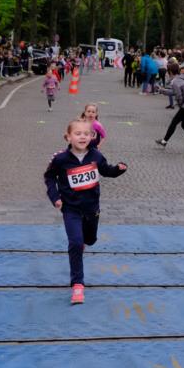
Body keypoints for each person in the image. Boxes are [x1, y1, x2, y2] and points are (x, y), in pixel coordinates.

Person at [44, 119, 127, 304]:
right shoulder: (60, 159)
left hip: (91, 209)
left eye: (86, 134)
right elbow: (49, 178)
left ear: (92, 137)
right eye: (77, 133)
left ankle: (84, 241)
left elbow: (107, 171)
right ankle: (78, 285)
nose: (82, 137)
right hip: (70, 208)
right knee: (75, 243)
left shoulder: (96, 156)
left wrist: (119, 169)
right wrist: (55, 197)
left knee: (89, 240)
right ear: (68, 137)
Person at [155, 61, 184, 150]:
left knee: (174, 122)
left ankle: (164, 141)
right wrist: (162, 90)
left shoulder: (175, 81)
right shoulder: (182, 78)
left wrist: (181, 105)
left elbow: (178, 96)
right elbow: (175, 92)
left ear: (170, 72)